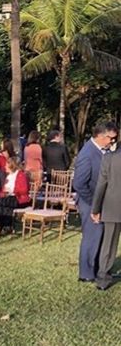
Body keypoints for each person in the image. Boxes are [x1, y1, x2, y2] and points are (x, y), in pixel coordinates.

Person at [73, 120, 118, 282]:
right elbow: (79, 184)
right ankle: (86, 273)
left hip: (99, 202)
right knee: (92, 237)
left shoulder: (101, 150)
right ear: (100, 136)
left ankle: (97, 269)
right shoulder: (88, 153)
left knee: (99, 236)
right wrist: (94, 206)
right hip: (89, 202)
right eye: (110, 138)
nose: (112, 142)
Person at [91, 143, 121, 290]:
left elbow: (101, 185)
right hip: (114, 207)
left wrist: (95, 208)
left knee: (108, 244)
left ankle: (103, 279)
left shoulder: (109, 158)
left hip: (112, 207)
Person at [0, 155, 30, 236]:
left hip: (20, 199)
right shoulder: (8, 176)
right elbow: (3, 190)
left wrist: (12, 191)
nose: (5, 166)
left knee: (5, 201)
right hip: (9, 197)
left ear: (11, 166)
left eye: (6, 165)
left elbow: (24, 190)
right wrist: (1, 194)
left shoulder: (21, 175)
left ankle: (7, 226)